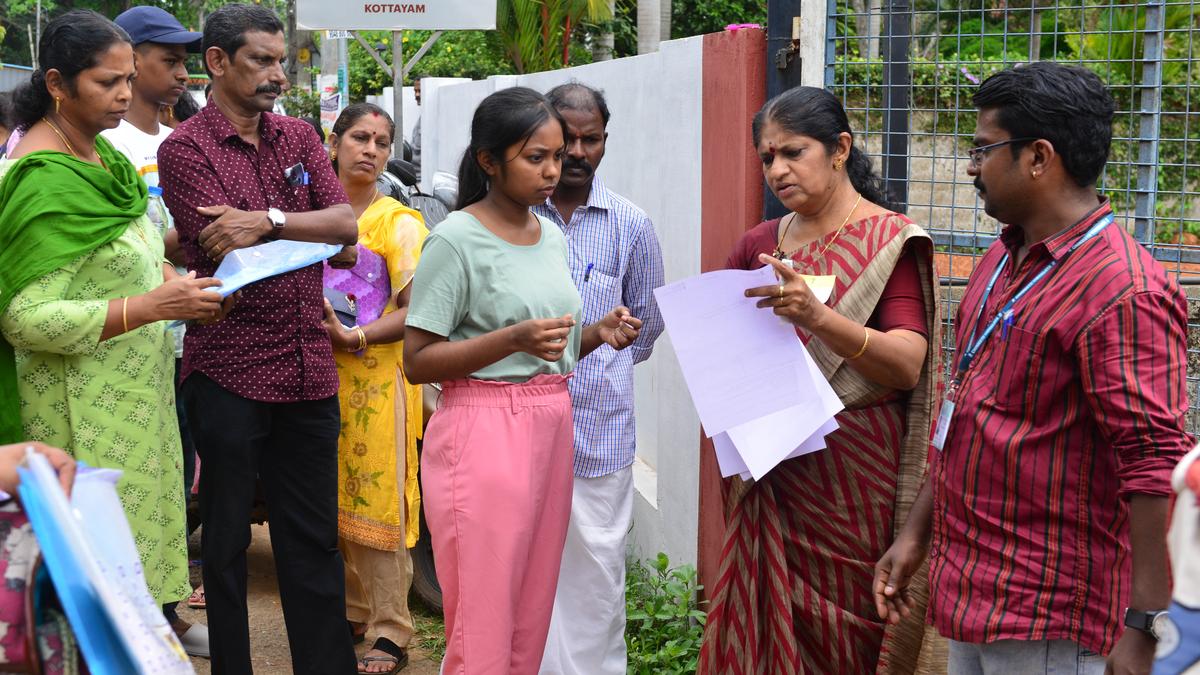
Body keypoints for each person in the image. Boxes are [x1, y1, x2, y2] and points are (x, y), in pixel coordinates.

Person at [874, 62, 1191, 675]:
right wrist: (916, 534)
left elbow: (1154, 465)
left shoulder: (1123, 291)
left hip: (1052, 619)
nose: (971, 167)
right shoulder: (1002, 258)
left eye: (983, 149)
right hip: (975, 591)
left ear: (1039, 157)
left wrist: (1147, 627)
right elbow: (965, 408)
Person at [0, 6, 230, 660]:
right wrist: (152, 306)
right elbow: (25, 318)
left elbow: (130, 256)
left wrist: (182, 287)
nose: (125, 93)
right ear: (56, 83)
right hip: (78, 416)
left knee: (130, 594)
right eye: (107, 81)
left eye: (129, 78)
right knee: (88, 601)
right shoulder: (40, 179)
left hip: (137, 402)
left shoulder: (101, 155)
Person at [698, 86, 942, 674]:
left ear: (840, 149)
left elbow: (908, 363)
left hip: (853, 484)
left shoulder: (891, 242)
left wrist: (819, 318)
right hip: (770, 475)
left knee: (849, 640)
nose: (777, 170)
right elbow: (722, 355)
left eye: (793, 152)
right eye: (767, 157)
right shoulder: (759, 245)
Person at [402, 86, 644, 675]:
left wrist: (597, 332)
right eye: (536, 157)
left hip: (551, 422)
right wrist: (510, 339)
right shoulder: (455, 239)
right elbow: (418, 360)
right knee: (483, 614)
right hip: (483, 426)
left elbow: (551, 350)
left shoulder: (550, 236)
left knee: (531, 610)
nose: (553, 170)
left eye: (556, 156)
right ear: (489, 160)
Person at [156, 4, 360, 673]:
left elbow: (345, 227)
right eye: (261, 60)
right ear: (217, 62)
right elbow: (221, 245)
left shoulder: (299, 136)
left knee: (314, 539)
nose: (278, 74)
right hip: (228, 368)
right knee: (224, 542)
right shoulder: (185, 149)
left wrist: (269, 219)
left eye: (280, 61)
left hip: (307, 366)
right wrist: (305, 233)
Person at [532, 82, 665, 675]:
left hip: (599, 429)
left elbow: (648, 322)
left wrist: (599, 370)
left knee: (597, 576)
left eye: (592, 139)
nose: (579, 152)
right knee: (525, 564)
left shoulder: (631, 224)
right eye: (567, 139)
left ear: (606, 141)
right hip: (519, 422)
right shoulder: (511, 217)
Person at [103, 4, 208, 625]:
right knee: (129, 478)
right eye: (169, 60)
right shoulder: (102, 143)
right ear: (131, 60)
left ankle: (167, 612)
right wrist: (186, 241)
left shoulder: (179, 144)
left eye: (185, 61)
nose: (181, 73)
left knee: (177, 476)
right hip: (127, 336)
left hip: (186, 337)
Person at [320, 102, 428, 675]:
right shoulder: (314, 216)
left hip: (379, 384)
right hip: (316, 380)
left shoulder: (398, 223)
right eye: (360, 138)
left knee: (377, 501)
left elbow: (418, 312)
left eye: (382, 143)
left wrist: (355, 335)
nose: (370, 150)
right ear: (333, 142)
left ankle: (391, 629)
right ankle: (349, 610)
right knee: (326, 498)